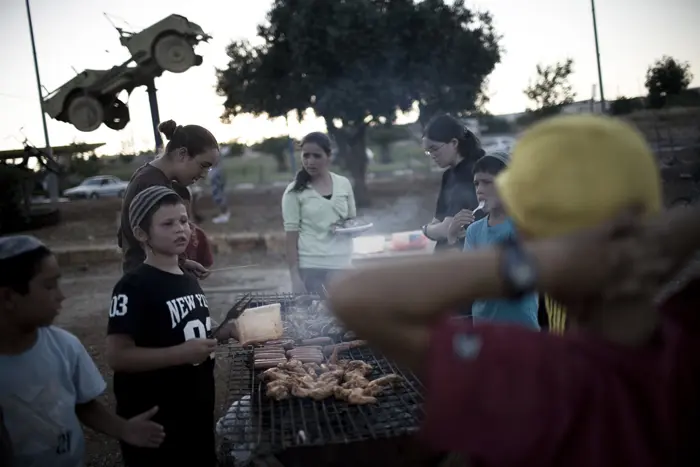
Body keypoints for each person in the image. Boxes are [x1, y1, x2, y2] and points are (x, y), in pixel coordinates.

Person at [328, 115, 699, 467]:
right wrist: (658, 237)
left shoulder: (533, 373)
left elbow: (353, 295)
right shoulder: (687, 338)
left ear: (536, 241)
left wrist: (537, 262)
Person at [0, 235, 165, 467]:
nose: (61, 295)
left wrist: (123, 428)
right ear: (8, 296)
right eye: (48, 286)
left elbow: (83, 403)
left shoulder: (65, 347)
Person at [106, 186, 230, 466]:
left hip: (196, 412)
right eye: (168, 223)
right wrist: (182, 354)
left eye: (184, 221)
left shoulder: (187, 277)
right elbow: (118, 356)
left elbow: (192, 332)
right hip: (158, 422)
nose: (180, 230)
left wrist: (225, 331)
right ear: (141, 234)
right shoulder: (133, 285)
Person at [118, 119, 219, 278]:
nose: (204, 175)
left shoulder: (151, 177)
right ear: (182, 154)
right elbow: (141, 240)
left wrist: (183, 263)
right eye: (203, 166)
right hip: (149, 281)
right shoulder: (150, 184)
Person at [456, 151, 539, 330]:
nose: (479, 189)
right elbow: (469, 279)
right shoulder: (474, 230)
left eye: (487, 182)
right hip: (484, 330)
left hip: (523, 330)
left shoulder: (523, 226)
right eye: (476, 184)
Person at [282, 132, 357, 294]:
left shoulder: (343, 184)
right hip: (311, 268)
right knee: (317, 316)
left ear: (328, 156)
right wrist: (295, 277)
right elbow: (290, 239)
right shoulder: (294, 192)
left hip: (342, 263)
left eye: (317, 156)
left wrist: (347, 229)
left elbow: (351, 221)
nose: (310, 161)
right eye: (306, 155)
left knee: (344, 316)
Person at [421, 115, 484, 251]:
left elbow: (446, 229)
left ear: (454, 143)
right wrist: (434, 229)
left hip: (468, 257)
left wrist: (426, 230)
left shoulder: (471, 173)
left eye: (434, 149)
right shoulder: (448, 175)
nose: (432, 155)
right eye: (428, 151)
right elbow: (437, 221)